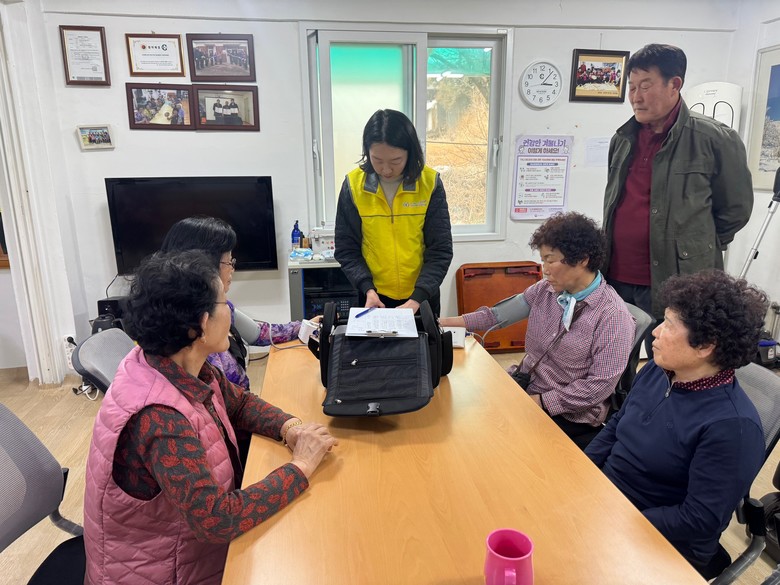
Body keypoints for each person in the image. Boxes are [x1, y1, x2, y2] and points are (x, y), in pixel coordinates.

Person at [82, 250, 338, 585]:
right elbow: (217, 520)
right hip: (162, 574)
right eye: (224, 303)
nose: (230, 310)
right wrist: (300, 466)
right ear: (202, 325)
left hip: (182, 554)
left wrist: (289, 428)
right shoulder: (160, 418)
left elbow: (239, 403)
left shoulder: (171, 362)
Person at [586, 270, 767, 579]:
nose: (655, 332)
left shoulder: (733, 428)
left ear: (705, 345)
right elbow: (617, 425)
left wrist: (620, 520)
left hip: (662, 540)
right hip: (609, 501)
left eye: (669, 324)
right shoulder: (659, 371)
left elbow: (698, 519)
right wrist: (583, 471)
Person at [602, 43, 754, 389]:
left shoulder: (714, 139)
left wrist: (696, 247)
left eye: (646, 86)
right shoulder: (622, 139)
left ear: (675, 84)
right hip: (617, 276)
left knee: (672, 369)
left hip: (677, 281)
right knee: (614, 365)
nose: (636, 97)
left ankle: (662, 421)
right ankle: (619, 417)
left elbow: (736, 210)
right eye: (632, 87)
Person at [439, 212, 634, 448]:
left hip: (569, 414)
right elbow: (495, 316)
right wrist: (441, 323)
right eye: (543, 261)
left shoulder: (613, 316)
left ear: (582, 260)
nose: (545, 270)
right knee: (460, 408)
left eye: (551, 261)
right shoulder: (545, 290)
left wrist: (539, 402)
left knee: (483, 438)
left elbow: (598, 387)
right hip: (527, 388)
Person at [161, 216, 306, 391]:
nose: (232, 269)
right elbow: (221, 403)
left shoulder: (219, 308)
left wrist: (305, 327)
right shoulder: (191, 341)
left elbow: (258, 333)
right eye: (228, 262)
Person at [335, 108, 453, 316]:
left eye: (395, 161)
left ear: (410, 153)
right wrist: (367, 288)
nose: (386, 170)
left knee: (424, 339)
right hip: (374, 298)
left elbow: (440, 250)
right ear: (367, 152)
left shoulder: (429, 183)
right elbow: (347, 249)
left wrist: (417, 299)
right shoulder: (353, 186)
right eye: (377, 160)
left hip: (421, 297)